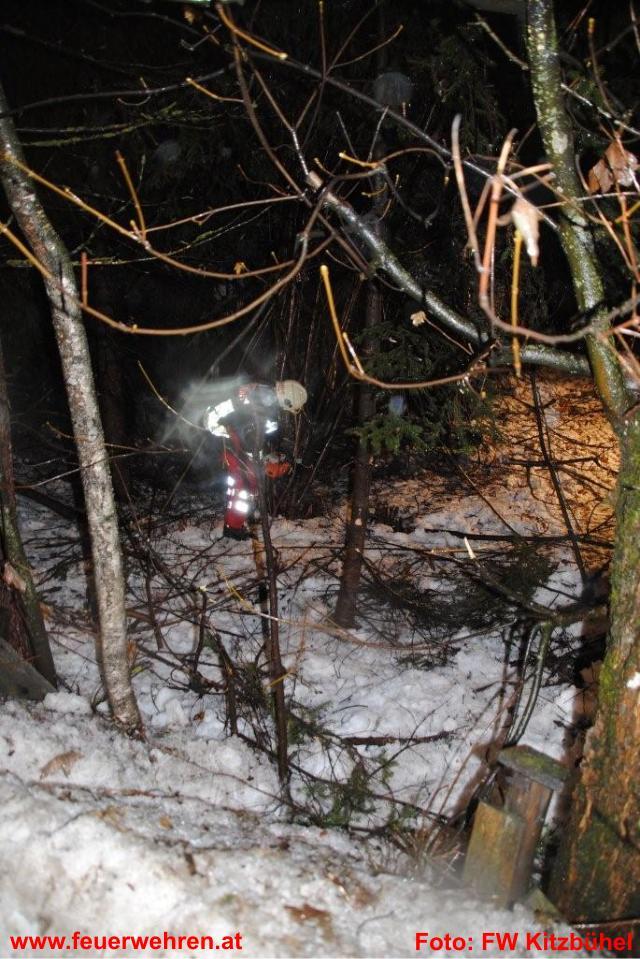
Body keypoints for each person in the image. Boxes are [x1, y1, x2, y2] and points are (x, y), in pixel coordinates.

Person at [203, 380, 307, 539]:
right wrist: (263, 460)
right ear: (287, 398)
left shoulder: (267, 399)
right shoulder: (258, 397)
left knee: (248, 486)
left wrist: (270, 455)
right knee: (241, 488)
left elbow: (263, 432)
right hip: (231, 445)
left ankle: (236, 522)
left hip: (241, 447)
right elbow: (244, 429)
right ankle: (233, 528)